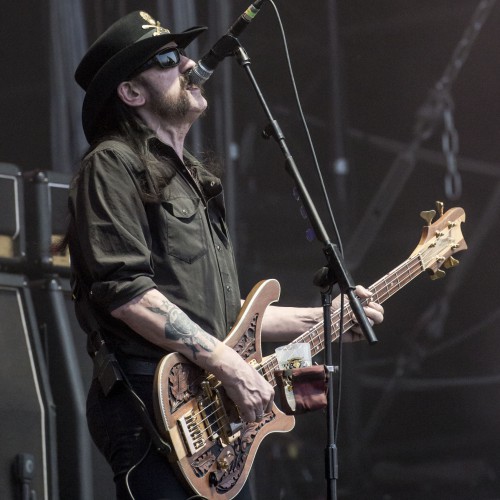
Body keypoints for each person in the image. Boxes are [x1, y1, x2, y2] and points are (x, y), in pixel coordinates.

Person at [67, 10, 384, 500]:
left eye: (183, 53)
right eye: (168, 59)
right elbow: (126, 292)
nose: (190, 65)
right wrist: (231, 366)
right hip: (153, 406)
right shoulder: (111, 163)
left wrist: (326, 317)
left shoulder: (192, 178)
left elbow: (223, 317)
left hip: (206, 408)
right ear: (131, 93)